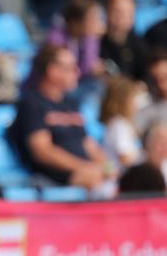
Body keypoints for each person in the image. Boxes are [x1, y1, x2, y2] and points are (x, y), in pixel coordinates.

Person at [10, 44, 113, 191]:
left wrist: (107, 166)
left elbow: (87, 143)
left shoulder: (71, 104)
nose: (77, 72)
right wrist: (84, 167)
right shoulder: (31, 104)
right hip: (53, 178)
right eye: (70, 68)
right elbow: (42, 151)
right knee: (97, 181)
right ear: (53, 71)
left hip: (86, 172)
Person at [99, 0, 148, 81]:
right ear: (106, 12)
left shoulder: (139, 45)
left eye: (128, 12)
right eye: (117, 11)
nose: (121, 16)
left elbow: (144, 76)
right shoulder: (95, 42)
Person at [99, 76, 142, 171]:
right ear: (123, 102)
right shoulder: (119, 125)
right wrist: (146, 157)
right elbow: (124, 158)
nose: (136, 104)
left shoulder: (120, 124)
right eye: (133, 99)